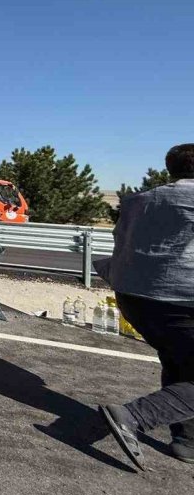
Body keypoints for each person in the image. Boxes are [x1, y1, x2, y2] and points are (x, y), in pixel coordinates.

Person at [96, 143, 194, 471]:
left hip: (133, 298)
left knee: (181, 363)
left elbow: (120, 243)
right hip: (181, 301)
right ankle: (134, 416)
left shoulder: (139, 201)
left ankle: (186, 440)